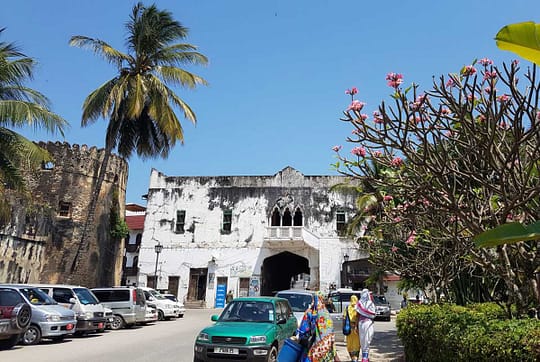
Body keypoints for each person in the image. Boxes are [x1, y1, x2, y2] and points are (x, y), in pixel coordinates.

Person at [295, 291, 335, 361]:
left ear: (317, 299)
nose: (312, 301)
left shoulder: (311, 312)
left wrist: (298, 336)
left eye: (314, 299)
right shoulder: (326, 313)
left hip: (316, 349)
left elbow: (303, 330)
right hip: (327, 348)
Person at [355, 289, 376, 362]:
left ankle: (365, 357)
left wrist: (356, 326)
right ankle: (365, 358)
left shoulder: (359, 303)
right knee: (367, 340)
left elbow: (357, 315)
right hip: (368, 323)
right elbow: (373, 315)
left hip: (361, 323)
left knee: (363, 340)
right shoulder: (371, 304)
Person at [345, 294, 360, 361]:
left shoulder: (347, 307)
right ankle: (356, 358)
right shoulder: (358, 307)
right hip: (357, 328)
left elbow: (344, 318)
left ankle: (352, 358)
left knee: (350, 344)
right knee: (357, 344)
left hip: (349, 328)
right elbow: (358, 317)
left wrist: (344, 327)